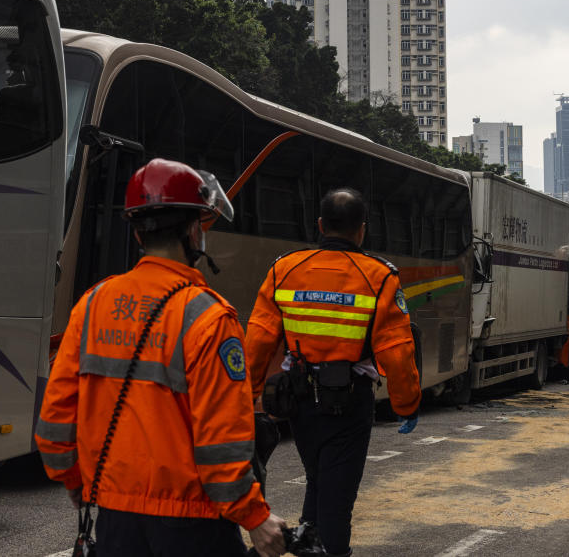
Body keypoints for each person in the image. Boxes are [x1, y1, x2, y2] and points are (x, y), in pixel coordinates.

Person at [35, 158, 287, 557]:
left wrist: (77, 482)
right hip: (194, 524)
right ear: (193, 230)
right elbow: (222, 441)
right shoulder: (209, 316)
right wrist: (253, 516)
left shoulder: (93, 303)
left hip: (116, 519)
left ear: (137, 232)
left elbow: (55, 419)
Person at [245, 188, 421, 557]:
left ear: (321, 225)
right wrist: (406, 405)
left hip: (299, 400)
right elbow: (397, 351)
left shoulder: (285, 268)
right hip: (350, 400)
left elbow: (259, 341)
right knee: (337, 496)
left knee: (318, 477)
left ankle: (309, 539)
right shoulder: (379, 276)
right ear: (361, 230)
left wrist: (246, 397)